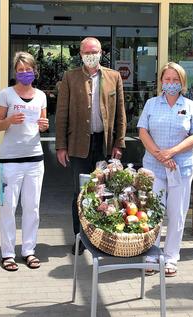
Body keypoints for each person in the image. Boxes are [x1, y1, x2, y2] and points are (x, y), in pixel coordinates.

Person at [55, 37, 126, 255]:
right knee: (80, 193)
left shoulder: (114, 77)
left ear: (101, 52)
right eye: (86, 51)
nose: (90, 54)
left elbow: (121, 114)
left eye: (94, 51)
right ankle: (80, 237)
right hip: (78, 144)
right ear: (80, 54)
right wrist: (61, 146)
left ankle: (101, 236)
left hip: (104, 144)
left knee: (104, 192)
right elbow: (62, 113)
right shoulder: (70, 77)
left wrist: (119, 143)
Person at [138, 62, 193, 277]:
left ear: (182, 83)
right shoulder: (151, 104)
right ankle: (151, 254)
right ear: (161, 82)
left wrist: (171, 152)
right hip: (153, 167)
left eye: (176, 80)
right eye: (167, 79)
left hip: (181, 168)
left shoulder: (191, 106)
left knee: (177, 213)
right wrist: (159, 154)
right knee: (152, 213)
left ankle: (171, 256)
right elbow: (143, 131)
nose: (171, 83)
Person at [0, 52, 49, 271]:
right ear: (15, 72)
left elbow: (43, 124)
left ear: (34, 71)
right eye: (20, 70)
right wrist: (9, 120)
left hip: (35, 158)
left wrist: (44, 126)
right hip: (10, 159)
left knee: (32, 207)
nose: (25, 73)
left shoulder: (41, 96)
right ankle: (8, 254)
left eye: (28, 69)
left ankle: (29, 250)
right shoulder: (6, 94)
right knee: (8, 207)